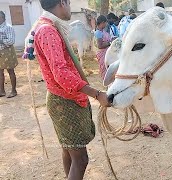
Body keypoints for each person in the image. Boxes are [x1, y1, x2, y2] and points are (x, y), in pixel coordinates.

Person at [23, 0, 110, 179]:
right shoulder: (48, 31)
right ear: (63, 2)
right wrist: (97, 94)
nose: (70, 8)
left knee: (69, 151)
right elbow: (61, 73)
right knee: (80, 159)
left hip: (61, 98)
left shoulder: (46, 26)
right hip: (65, 101)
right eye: (69, 3)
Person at [0, 11, 18, 98]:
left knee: (10, 71)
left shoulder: (8, 27)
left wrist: (1, 40)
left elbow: (11, 41)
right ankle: (2, 91)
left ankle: (14, 91)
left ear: (4, 18)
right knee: (0, 72)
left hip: (7, 52)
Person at [95, 15, 112, 80]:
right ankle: (105, 82)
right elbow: (100, 45)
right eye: (105, 23)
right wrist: (110, 43)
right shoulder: (98, 33)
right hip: (102, 54)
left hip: (106, 53)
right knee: (104, 68)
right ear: (102, 23)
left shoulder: (101, 32)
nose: (106, 24)